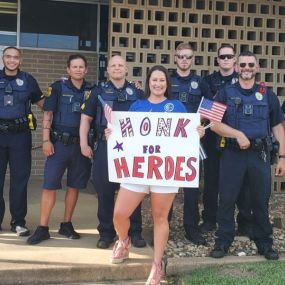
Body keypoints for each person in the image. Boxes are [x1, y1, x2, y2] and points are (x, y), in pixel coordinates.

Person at [108, 65, 205, 285]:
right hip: (138, 168)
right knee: (119, 214)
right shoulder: (137, 105)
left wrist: (196, 133)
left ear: (167, 84)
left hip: (164, 172)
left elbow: (186, 135)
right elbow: (126, 133)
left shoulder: (177, 106)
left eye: (162, 80)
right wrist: (111, 133)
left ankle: (157, 264)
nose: (158, 84)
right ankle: (124, 241)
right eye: (154, 80)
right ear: (148, 82)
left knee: (160, 218)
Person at [210, 51, 285, 260]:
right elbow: (213, 123)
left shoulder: (268, 94)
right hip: (232, 154)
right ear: (236, 67)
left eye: (251, 65)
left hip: (259, 155)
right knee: (226, 199)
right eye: (242, 65)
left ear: (257, 67)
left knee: (260, 200)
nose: (246, 68)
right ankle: (223, 241)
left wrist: (283, 157)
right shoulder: (225, 92)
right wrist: (237, 134)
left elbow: (278, 126)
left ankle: (264, 242)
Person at [80, 55, 146, 249]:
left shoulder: (138, 92)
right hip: (105, 147)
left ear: (126, 69)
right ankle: (106, 233)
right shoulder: (97, 92)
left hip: (132, 150)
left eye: (121, 65)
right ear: (107, 70)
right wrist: (84, 144)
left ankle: (135, 231)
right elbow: (86, 119)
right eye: (113, 66)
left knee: (133, 189)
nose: (117, 68)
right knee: (105, 192)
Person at [27, 54, 92, 245]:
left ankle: (66, 224)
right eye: (75, 67)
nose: (78, 70)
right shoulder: (57, 87)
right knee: (50, 185)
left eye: (81, 67)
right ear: (68, 69)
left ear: (86, 70)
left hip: (80, 146)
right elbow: (48, 112)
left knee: (74, 185)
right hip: (58, 145)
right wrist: (46, 140)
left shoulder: (92, 90)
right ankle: (43, 227)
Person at [200, 44, 253, 237]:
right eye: (222, 57)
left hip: (235, 137)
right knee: (212, 180)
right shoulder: (207, 81)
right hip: (213, 136)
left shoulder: (244, 81)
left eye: (229, 56)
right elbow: (206, 108)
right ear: (217, 60)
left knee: (239, 182)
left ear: (235, 60)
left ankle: (244, 222)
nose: (225, 60)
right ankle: (209, 219)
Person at [170, 42, 212, 245]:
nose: (184, 60)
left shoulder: (201, 82)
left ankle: (191, 229)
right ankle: (164, 227)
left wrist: (202, 124)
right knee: (167, 184)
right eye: (181, 56)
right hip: (169, 141)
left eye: (188, 56)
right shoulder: (167, 80)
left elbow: (210, 108)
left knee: (191, 187)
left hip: (192, 142)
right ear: (175, 58)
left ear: (192, 59)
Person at [0, 46, 44, 236]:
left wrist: (60, 92)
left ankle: (18, 222)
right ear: (3, 58)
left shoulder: (28, 80)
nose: (12, 60)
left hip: (20, 136)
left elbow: (43, 103)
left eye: (15, 57)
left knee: (19, 181)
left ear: (20, 60)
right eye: (8, 57)